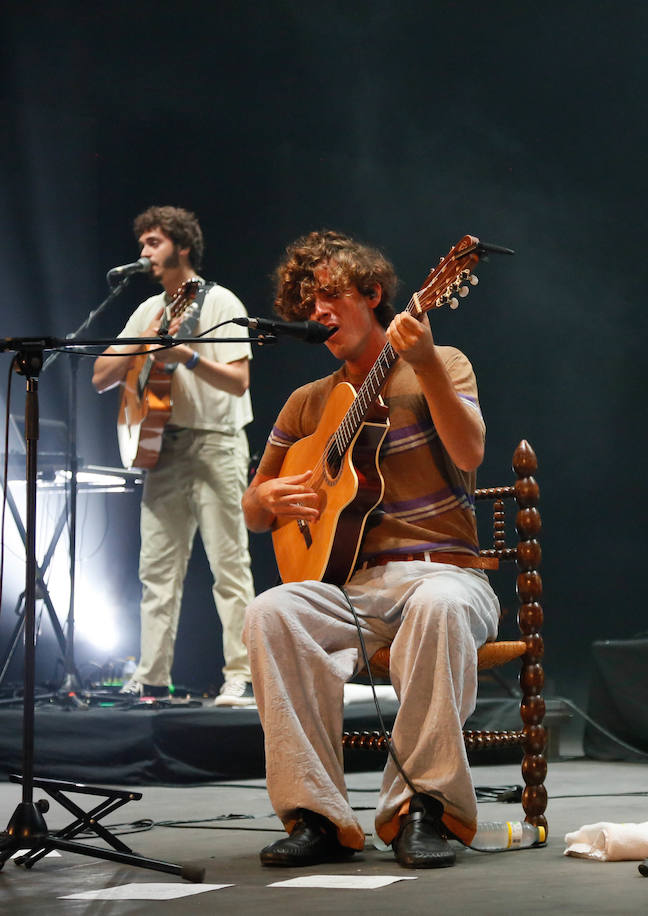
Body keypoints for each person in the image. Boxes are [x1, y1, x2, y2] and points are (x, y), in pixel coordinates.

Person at [241, 230, 499, 869]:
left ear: (372, 293)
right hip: (354, 587)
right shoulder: (307, 404)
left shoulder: (443, 363)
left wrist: (431, 361)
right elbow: (252, 508)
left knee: (438, 605)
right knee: (270, 612)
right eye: (307, 304)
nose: (317, 312)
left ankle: (422, 810)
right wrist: (272, 499)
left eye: (330, 294)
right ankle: (318, 818)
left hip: (447, 573)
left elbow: (470, 453)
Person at [91, 206, 258, 704]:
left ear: (182, 247)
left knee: (229, 565)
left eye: (153, 243)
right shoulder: (148, 310)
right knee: (156, 571)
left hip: (216, 442)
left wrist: (185, 355)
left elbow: (239, 380)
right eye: (142, 244)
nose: (143, 253)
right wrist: (144, 345)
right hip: (162, 447)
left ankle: (242, 674)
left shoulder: (220, 302)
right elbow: (102, 376)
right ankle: (152, 677)